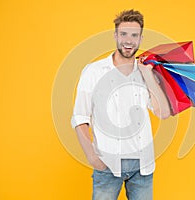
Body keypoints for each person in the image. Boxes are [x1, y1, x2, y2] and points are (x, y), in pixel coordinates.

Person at [71, 9, 170, 200]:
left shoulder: (146, 72)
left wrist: (148, 75)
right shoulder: (93, 71)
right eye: (124, 34)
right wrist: (93, 157)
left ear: (141, 38)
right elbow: (80, 116)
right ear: (115, 35)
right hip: (107, 164)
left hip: (142, 167)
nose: (128, 40)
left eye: (134, 35)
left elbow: (163, 112)